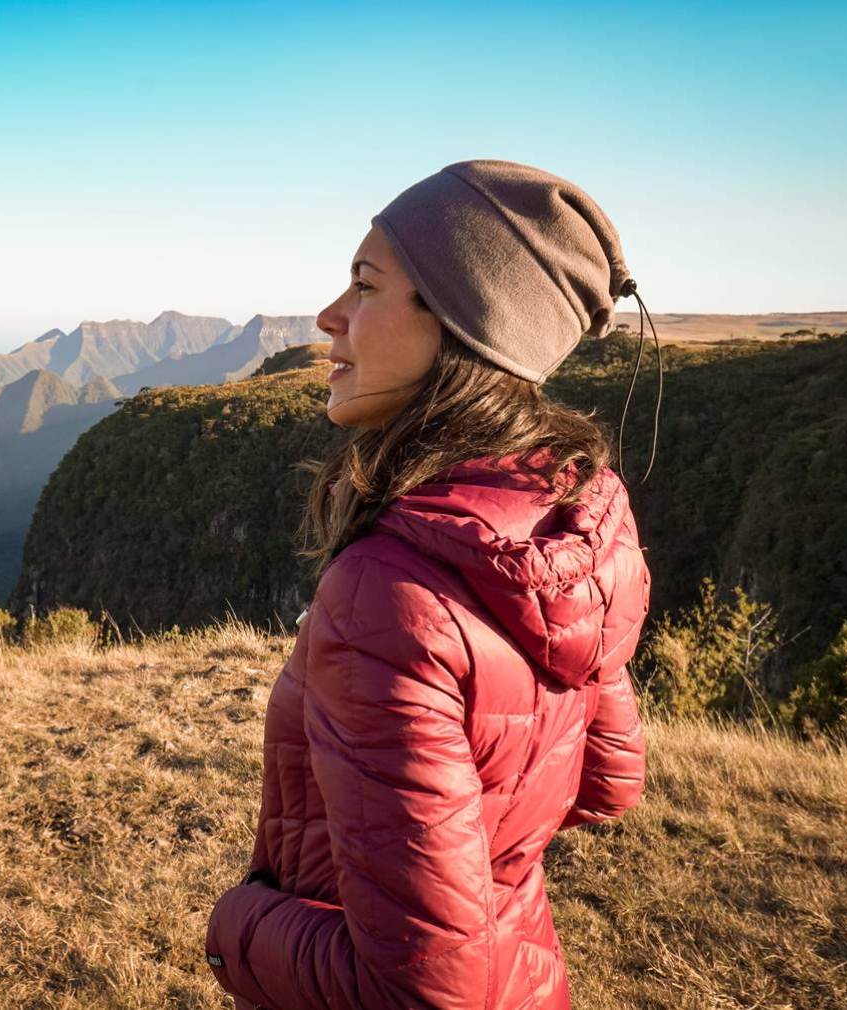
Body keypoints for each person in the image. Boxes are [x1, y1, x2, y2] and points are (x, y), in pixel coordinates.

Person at [203, 160, 654, 1010]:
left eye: (365, 286)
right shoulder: (574, 521)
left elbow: (415, 996)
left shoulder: (390, 593)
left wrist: (238, 927)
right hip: (523, 969)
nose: (329, 315)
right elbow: (605, 784)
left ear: (460, 324)